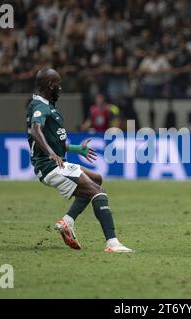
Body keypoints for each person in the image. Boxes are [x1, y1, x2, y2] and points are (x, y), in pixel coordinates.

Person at [26, 68, 133, 252]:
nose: (60, 88)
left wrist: (77, 149)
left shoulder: (49, 106)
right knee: (97, 191)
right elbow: (36, 131)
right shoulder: (40, 107)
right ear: (50, 85)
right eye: (58, 84)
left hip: (57, 163)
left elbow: (56, 141)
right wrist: (52, 153)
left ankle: (67, 222)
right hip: (51, 166)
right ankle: (112, 243)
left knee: (96, 179)